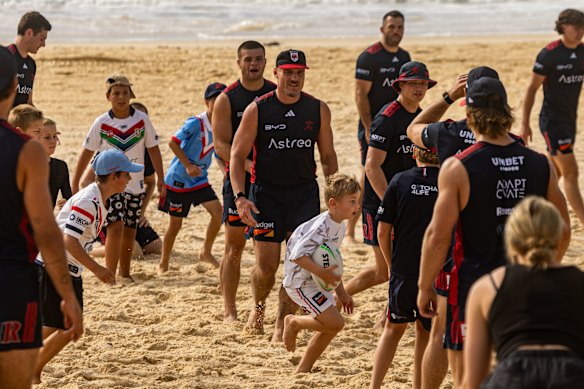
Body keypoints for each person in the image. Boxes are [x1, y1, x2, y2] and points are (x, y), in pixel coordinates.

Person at [417, 77, 571, 388]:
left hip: (473, 282)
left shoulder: (458, 167)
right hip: (523, 279)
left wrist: (424, 287)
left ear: (470, 116)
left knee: (467, 378)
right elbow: (562, 228)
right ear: (507, 112)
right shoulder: (540, 163)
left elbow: (437, 236)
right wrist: (546, 265)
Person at [230, 49, 338, 341]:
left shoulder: (317, 109)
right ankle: (259, 307)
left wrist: (336, 193)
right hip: (266, 194)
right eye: (288, 72)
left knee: (296, 261)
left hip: (303, 194)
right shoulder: (258, 109)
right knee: (266, 266)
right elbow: (237, 156)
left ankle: (282, 321)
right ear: (276, 73)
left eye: (299, 72)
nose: (294, 78)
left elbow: (327, 156)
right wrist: (240, 196)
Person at [406, 66, 499, 389]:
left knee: (442, 333)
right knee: (488, 335)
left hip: (456, 250)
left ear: (466, 100)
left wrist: (447, 95)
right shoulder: (517, 145)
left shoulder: (447, 132)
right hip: (496, 250)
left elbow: (413, 127)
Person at [0, 44, 82, 389]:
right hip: (10, 279)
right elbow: (46, 232)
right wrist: (67, 295)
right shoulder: (26, 151)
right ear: (11, 89)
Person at [33, 149, 139, 384]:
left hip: (63, 266)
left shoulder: (97, 198)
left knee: (54, 325)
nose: (129, 179)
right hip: (55, 265)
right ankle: (30, 368)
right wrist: (97, 269)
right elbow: (68, 240)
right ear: (113, 176)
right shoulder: (89, 200)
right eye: (126, 175)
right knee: (69, 325)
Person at [344, 61, 435, 324]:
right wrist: (392, 203)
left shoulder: (420, 118)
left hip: (408, 201)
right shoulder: (388, 117)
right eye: (413, 83)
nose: (419, 88)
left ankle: (385, 314)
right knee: (386, 270)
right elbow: (372, 167)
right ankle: (341, 297)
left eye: (423, 83)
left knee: (397, 266)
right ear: (401, 85)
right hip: (382, 203)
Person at [463, 196, 584, 388]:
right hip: (571, 376)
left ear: (511, 236)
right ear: (560, 234)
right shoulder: (579, 281)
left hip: (512, 378)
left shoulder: (487, 287)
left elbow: (473, 379)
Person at [71, 74, 165, 282]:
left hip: (134, 184)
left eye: (125, 93)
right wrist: (75, 180)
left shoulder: (141, 120)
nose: (121, 97)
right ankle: (110, 274)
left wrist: (161, 178)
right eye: (116, 93)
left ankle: (125, 272)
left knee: (130, 228)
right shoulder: (102, 122)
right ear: (108, 97)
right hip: (110, 186)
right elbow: (86, 152)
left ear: (131, 94)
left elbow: (154, 149)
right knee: (115, 226)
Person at [212, 40, 277, 323]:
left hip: (270, 183)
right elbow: (221, 146)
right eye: (248, 59)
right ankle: (229, 309)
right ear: (238, 62)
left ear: (266, 63)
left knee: (265, 251)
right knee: (234, 247)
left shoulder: (275, 94)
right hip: (238, 180)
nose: (254, 64)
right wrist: (248, 165)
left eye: (259, 59)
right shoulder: (228, 98)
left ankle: (258, 308)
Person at [370, 146, 439, 389]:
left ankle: (374, 386)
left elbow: (382, 230)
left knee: (392, 329)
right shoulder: (449, 181)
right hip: (435, 271)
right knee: (425, 332)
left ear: (414, 154)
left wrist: (391, 266)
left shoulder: (400, 180)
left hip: (404, 269)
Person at [282, 172, 359, 373]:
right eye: (352, 201)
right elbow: (297, 256)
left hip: (316, 279)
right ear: (333, 203)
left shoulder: (339, 227)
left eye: (357, 201)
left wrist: (341, 292)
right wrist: (324, 275)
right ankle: (294, 322)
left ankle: (303, 370)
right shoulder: (320, 227)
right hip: (299, 282)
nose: (356, 207)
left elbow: (332, 262)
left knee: (331, 325)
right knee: (335, 322)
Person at [520, 9, 584, 225]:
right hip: (552, 122)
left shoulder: (582, 52)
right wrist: (524, 123)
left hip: (569, 121)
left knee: (553, 173)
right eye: (576, 27)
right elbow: (531, 90)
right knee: (571, 172)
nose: (580, 32)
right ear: (563, 27)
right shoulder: (549, 54)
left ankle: (528, 207)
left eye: (583, 28)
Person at [352, 10, 411, 241]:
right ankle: (350, 229)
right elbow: (360, 95)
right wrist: (368, 127)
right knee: (368, 175)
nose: (395, 31)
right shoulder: (369, 57)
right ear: (382, 29)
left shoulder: (405, 56)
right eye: (391, 27)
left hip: (398, 127)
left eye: (399, 27)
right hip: (374, 126)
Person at [79, 100, 162, 258]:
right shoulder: (109, 152)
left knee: (157, 247)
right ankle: (88, 250)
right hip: (109, 211)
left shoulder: (145, 152)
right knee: (134, 252)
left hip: (130, 208)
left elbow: (150, 183)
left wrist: (140, 213)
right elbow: (84, 182)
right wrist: (100, 210)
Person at [158, 82, 226, 273]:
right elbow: (173, 142)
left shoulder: (223, 125)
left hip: (199, 181)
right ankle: (163, 262)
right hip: (179, 180)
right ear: (207, 102)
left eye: (223, 100)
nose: (219, 103)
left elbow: (220, 153)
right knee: (175, 224)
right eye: (215, 99)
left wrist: (226, 172)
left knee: (218, 213)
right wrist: (187, 165)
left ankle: (206, 251)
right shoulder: (195, 122)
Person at [7, 11, 52, 107]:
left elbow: (28, 103)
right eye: (41, 39)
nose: (43, 45)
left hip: (20, 121)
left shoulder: (31, 64)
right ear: (29, 33)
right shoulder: (4, 57)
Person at [39, 117, 72, 209]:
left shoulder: (60, 167)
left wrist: (66, 205)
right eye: (47, 137)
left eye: (55, 136)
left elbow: (68, 198)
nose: (53, 141)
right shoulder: (26, 165)